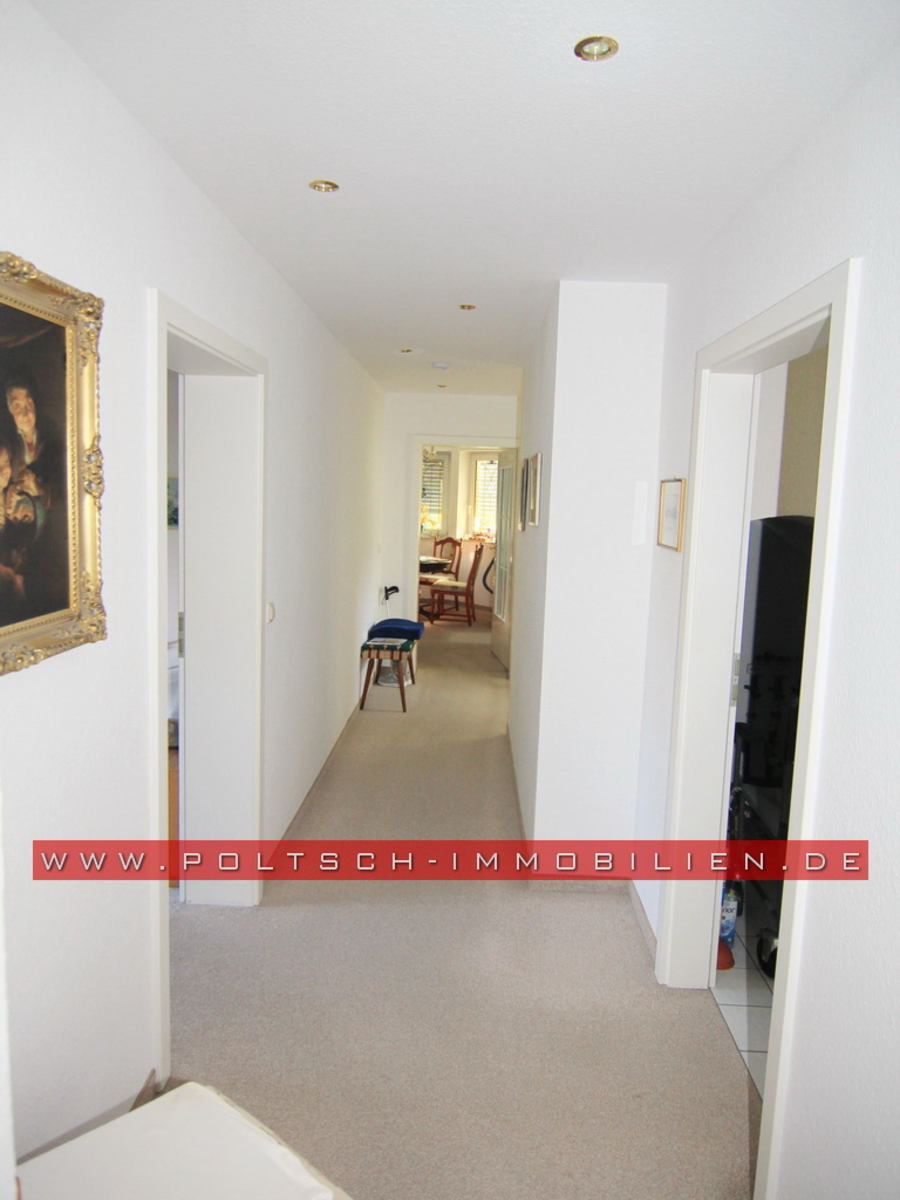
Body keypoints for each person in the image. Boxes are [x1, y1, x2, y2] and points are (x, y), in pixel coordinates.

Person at [5, 380, 63, 506]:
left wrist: (38, 489)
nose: (25, 413)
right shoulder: (6, 442)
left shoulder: (51, 439)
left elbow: (63, 486)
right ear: (11, 411)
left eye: (29, 405)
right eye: (18, 407)